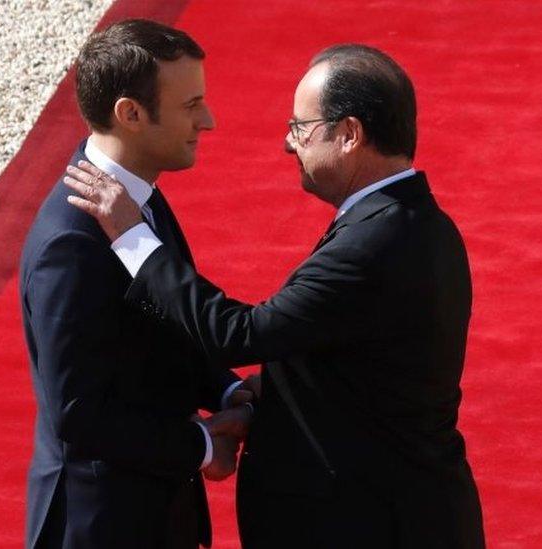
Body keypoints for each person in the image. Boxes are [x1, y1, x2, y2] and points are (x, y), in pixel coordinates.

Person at [64, 44, 484, 548]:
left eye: (301, 129)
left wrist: (133, 237)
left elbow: (239, 334)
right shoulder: (414, 223)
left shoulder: (374, 242)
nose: (289, 145)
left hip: (373, 525)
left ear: (349, 135)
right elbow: (358, 361)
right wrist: (261, 397)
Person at [19, 19, 252, 549]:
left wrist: (229, 389)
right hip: (99, 526)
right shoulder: (72, 242)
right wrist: (197, 445)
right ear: (131, 114)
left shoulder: (135, 199)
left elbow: (161, 331)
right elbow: (77, 412)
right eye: (191, 105)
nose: (209, 120)